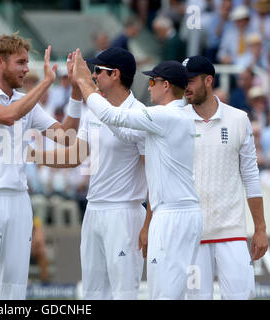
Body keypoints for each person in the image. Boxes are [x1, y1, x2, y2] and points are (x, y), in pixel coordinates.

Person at [72, 51, 203, 300]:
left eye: (153, 82)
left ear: (166, 86)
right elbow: (122, 131)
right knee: (164, 294)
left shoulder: (165, 115)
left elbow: (114, 116)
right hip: (174, 212)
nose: (149, 87)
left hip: (173, 214)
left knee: (164, 295)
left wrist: (84, 83)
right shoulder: (170, 117)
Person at [0, 33, 81, 300]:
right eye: (21, 62)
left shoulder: (25, 100)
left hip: (18, 200)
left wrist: (75, 92)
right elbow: (7, 116)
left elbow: (66, 137)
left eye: (27, 63)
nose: (27, 69)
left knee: (14, 292)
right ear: (0, 62)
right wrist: (47, 83)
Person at [30, 47, 148, 299]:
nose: (93, 76)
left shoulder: (139, 114)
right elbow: (75, 155)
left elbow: (153, 172)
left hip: (125, 212)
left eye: (97, 71)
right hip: (94, 210)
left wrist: (150, 220)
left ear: (115, 74)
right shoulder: (95, 110)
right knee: (93, 293)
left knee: (124, 293)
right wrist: (33, 156)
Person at [182, 55, 268, 300]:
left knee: (243, 296)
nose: (185, 86)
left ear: (208, 80)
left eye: (191, 80)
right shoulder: (177, 119)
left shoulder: (238, 119)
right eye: (183, 80)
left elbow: (251, 176)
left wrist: (260, 229)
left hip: (232, 231)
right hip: (193, 234)